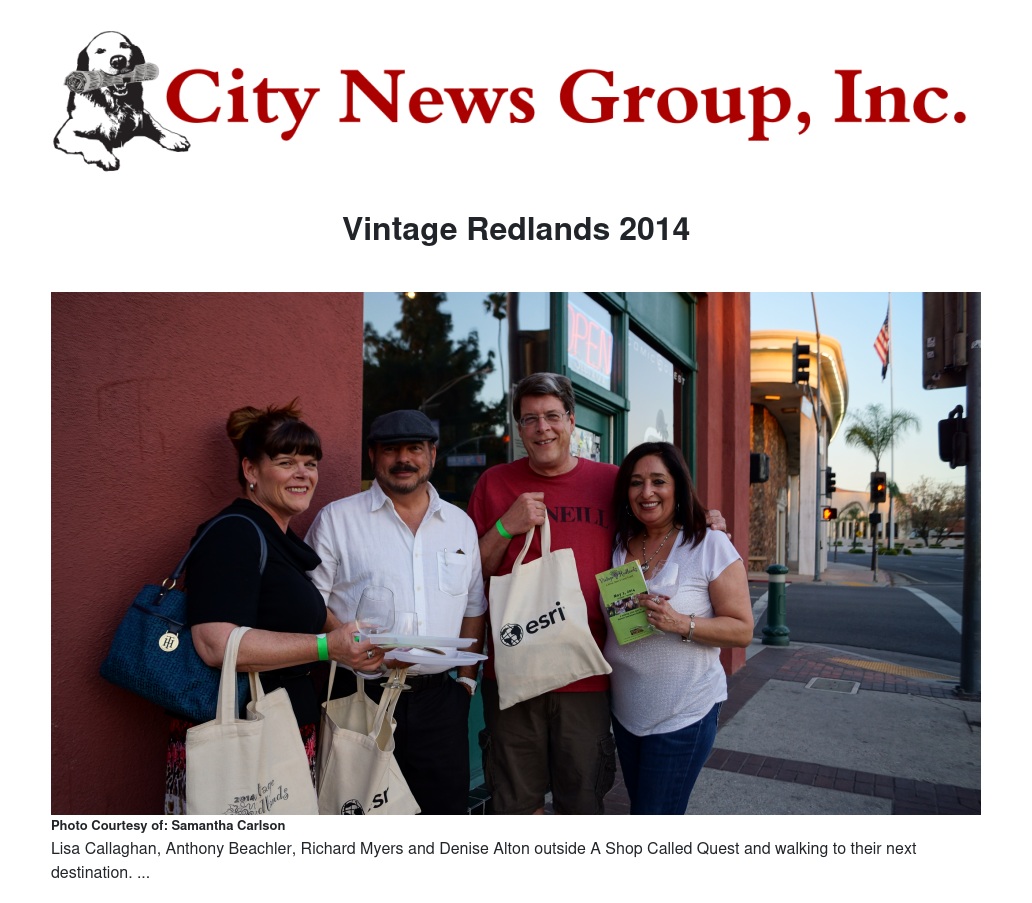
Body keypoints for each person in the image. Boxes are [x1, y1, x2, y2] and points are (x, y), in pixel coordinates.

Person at [470, 373, 728, 815]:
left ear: (571, 421)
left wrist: (703, 521)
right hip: (514, 671)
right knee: (515, 804)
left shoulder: (611, 482)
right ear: (519, 428)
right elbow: (472, 574)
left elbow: (658, 515)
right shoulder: (494, 483)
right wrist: (505, 527)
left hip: (587, 672)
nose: (542, 428)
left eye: (553, 416)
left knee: (582, 802)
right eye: (530, 419)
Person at [165, 400, 384, 814]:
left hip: (279, 729)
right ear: (251, 470)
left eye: (310, 464)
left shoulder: (279, 541)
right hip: (242, 736)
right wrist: (327, 647)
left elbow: (309, 616)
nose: (303, 474)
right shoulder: (233, 534)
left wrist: (362, 646)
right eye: (286, 463)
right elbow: (214, 644)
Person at [305, 409, 487, 815]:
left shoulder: (459, 524)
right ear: (373, 456)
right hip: (359, 695)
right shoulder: (338, 519)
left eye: (414, 448)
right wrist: (354, 647)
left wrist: (465, 683)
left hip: (440, 702)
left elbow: (474, 605)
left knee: (443, 816)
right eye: (391, 449)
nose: (403, 459)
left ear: (432, 455)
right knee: (360, 819)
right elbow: (311, 602)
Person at [606, 441, 753, 814]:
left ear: (679, 487)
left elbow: (742, 630)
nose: (647, 492)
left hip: (684, 712)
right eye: (636, 482)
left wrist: (680, 623)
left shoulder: (709, 543)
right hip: (626, 714)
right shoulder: (619, 544)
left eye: (659, 481)